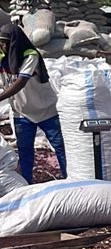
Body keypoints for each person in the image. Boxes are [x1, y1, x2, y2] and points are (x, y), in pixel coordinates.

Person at [0, 23, 66, 182]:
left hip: (46, 110)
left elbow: (20, 82)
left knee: (59, 147)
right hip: (22, 113)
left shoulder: (30, 55)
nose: (3, 46)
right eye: (0, 42)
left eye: (6, 42)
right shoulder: (2, 59)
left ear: (15, 41)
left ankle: (68, 177)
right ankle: (27, 184)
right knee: (24, 151)